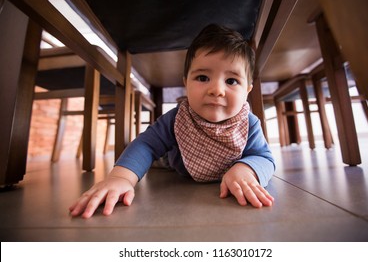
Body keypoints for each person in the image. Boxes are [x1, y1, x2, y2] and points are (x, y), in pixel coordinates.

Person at [69, 24, 276, 218]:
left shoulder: (248, 123)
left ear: (247, 90)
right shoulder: (177, 118)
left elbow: (264, 157)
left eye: (231, 81)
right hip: (176, 160)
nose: (217, 90)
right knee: (158, 156)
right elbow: (147, 145)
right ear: (186, 83)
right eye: (203, 78)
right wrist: (120, 178)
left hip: (229, 165)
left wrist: (246, 169)